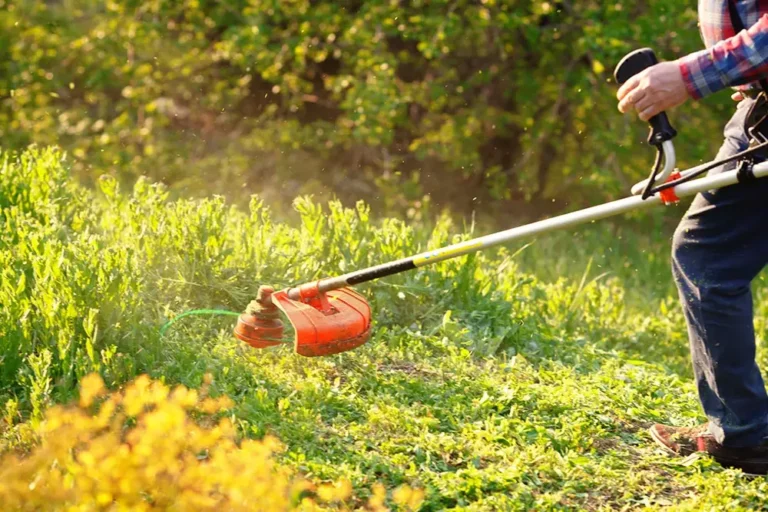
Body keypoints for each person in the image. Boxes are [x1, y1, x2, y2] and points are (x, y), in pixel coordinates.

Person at [616, 1, 768, 475]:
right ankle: (746, 430)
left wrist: (685, 76)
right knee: (708, 254)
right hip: (758, 110)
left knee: (709, 255)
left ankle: (746, 435)